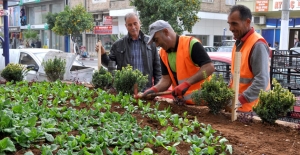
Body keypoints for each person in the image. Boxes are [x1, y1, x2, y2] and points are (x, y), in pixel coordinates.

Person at [140, 20, 215, 104]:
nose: (156, 45)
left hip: (202, 103)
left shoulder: (191, 44)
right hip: (182, 104)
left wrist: (187, 83)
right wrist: (153, 90)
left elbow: (209, 67)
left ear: (166, 32)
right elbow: (166, 80)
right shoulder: (162, 53)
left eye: (156, 40)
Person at [95, 12, 161, 90]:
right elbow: (110, 65)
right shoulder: (118, 45)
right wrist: (102, 54)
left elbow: (157, 69)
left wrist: (157, 89)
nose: (133, 27)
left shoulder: (150, 43)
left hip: (146, 89)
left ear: (140, 23)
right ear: (126, 26)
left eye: (135, 23)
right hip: (126, 90)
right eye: (130, 25)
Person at [226, 5, 270, 112]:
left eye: (234, 24)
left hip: (253, 110)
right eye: (229, 24)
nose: (231, 28)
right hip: (239, 109)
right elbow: (235, 77)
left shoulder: (257, 45)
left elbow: (261, 81)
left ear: (247, 22)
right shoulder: (239, 42)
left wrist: (238, 101)